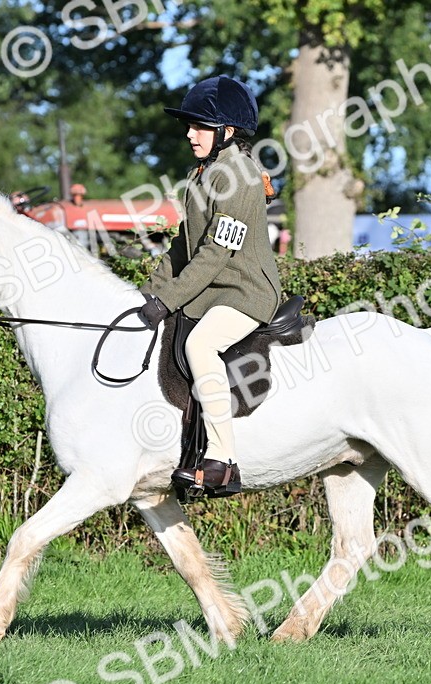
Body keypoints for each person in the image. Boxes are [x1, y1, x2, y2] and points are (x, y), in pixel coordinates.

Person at [138, 76, 283, 497]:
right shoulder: (201, 174)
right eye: (190, 126)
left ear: (227, 132)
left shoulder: (238, 175)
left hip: (246, 291)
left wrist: (168, 300)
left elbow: (217, 253)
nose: (189, 134)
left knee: (199, 346)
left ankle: (222, 460)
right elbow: (184, 246)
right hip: (213, 290)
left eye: (199, 126)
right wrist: (150, 293)